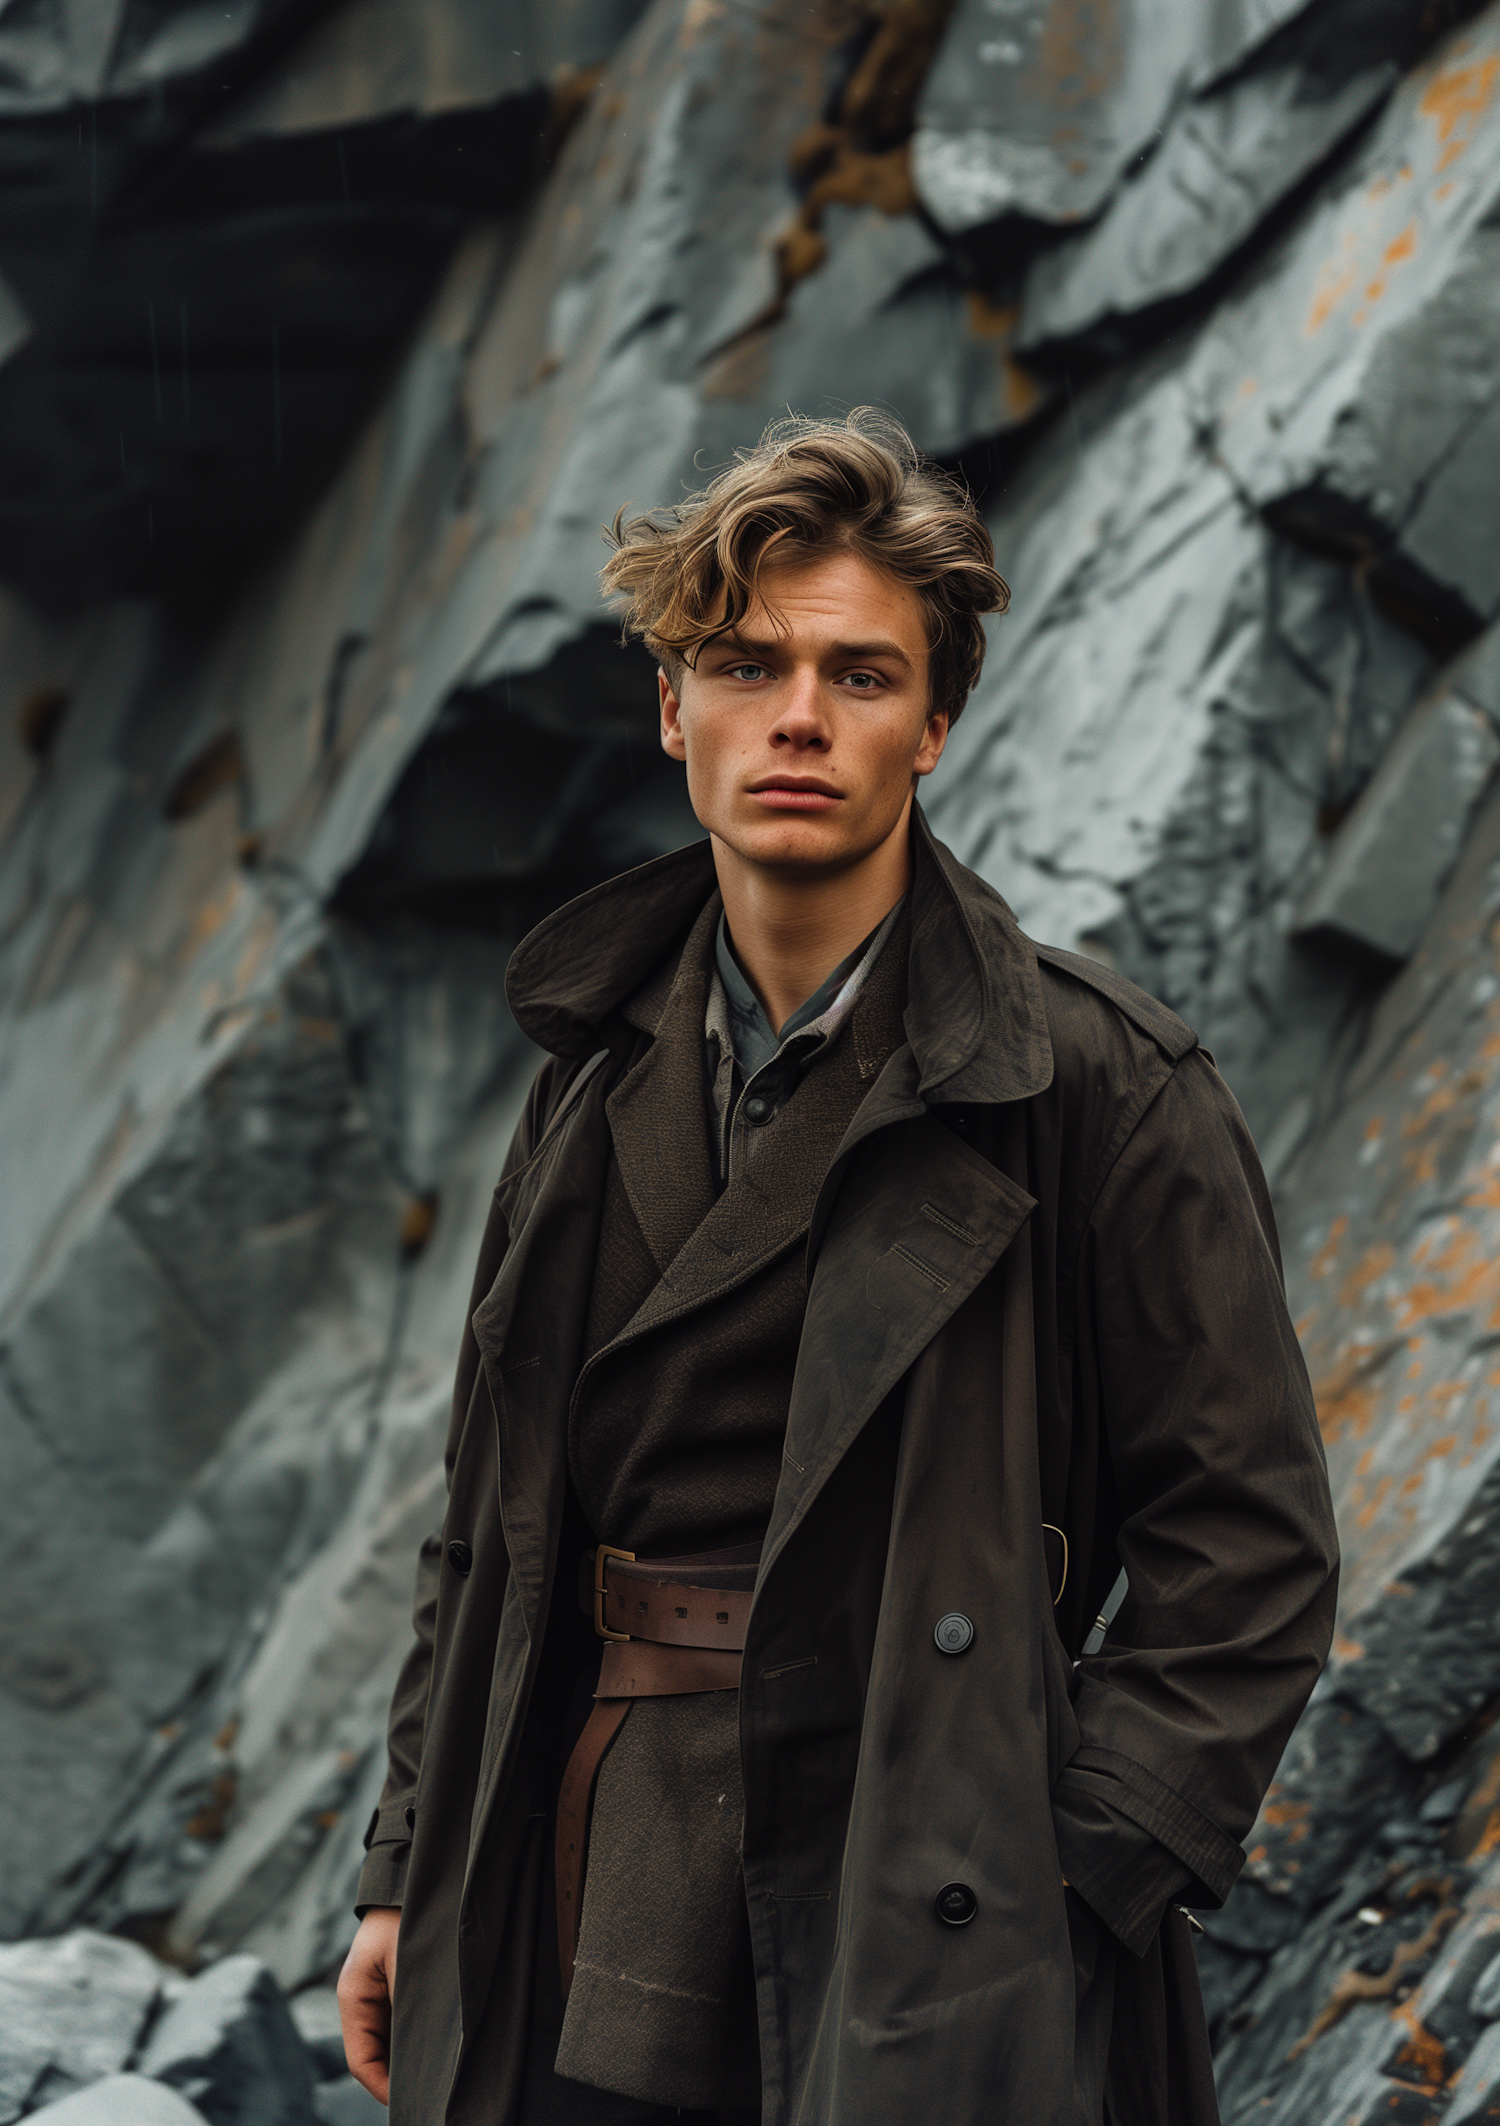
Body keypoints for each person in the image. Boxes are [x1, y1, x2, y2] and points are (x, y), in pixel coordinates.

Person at [336, 410, 1338, 2126]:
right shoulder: (583, 1078)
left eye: (861, 676)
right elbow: (484, 1521)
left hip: (936, 1889)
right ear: (673, 710)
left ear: (935, 723)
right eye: (744, 663)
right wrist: (405, 1863)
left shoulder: (1094, 1081)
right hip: (595, 1864)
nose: (798, 716)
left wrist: (1078, 1875)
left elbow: (1247, 1549)